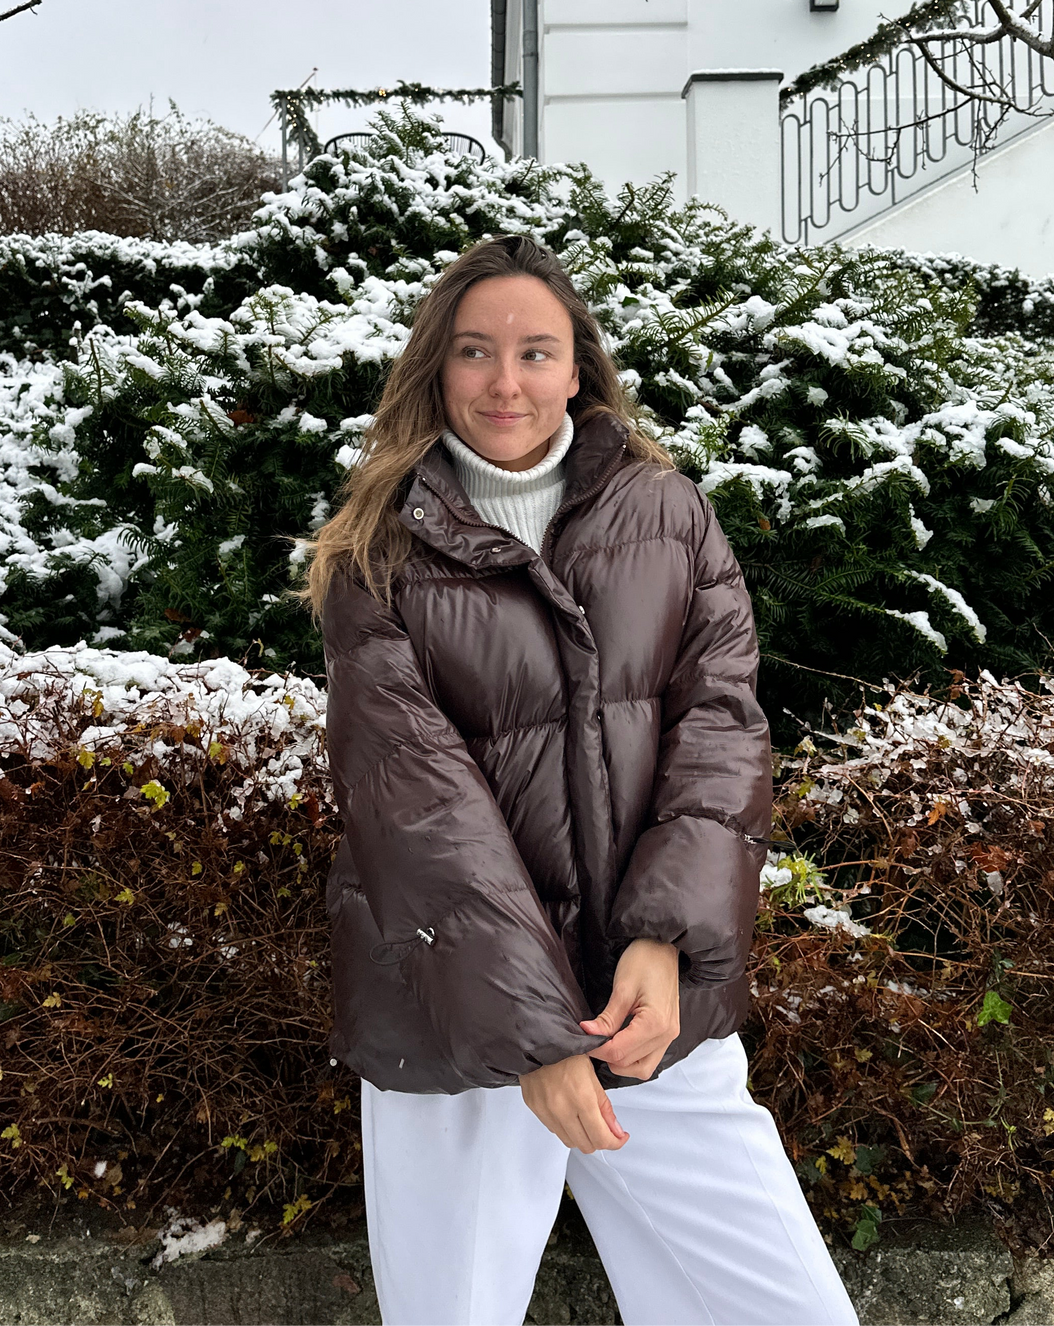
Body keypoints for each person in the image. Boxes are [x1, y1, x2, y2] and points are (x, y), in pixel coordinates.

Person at [307, 235, 858, 1326]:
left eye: (535, 352)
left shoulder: (668, 513)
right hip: (455, 1019)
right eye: (474, 350)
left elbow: (720, 732)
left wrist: (664, 940)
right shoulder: (375, 550)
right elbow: (414, 804)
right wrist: (534, 1031)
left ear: (577, 369)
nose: (504, 382)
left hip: (648, 1009)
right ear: (436, 367)